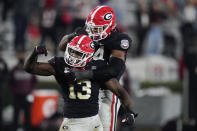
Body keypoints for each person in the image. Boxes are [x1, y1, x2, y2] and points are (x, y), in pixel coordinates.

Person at [24, 35, 137, 131]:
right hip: (90, 123)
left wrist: (129, 111)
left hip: (80, 122)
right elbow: (30, 68)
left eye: (78, 53)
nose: (73, 56)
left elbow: (119, 90)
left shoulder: (95, 68)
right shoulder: (62, 64)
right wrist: (35, 53)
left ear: (87, 56)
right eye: (71, 51)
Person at [59, 5, 132, 131]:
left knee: (106, 126)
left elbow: (113, 71)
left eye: (97, 29)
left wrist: (85, 74)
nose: (93, 32)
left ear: (110, 27)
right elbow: (62, 47)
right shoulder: (87, 30)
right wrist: (74, 36)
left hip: (107, 88)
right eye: (91, 28)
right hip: (89, 86)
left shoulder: (120, 39)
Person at [9, 51, 37, 131]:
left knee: (28, 115)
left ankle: (28, 129)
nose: (21, 56)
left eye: (23, 54)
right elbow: (10, 82)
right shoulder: (14, 69)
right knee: (16, 115)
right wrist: (14, 91)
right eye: (20, 54)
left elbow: (34, 82)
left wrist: (30, 91)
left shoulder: (29, 69)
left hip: (27, 95)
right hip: (17, 96)